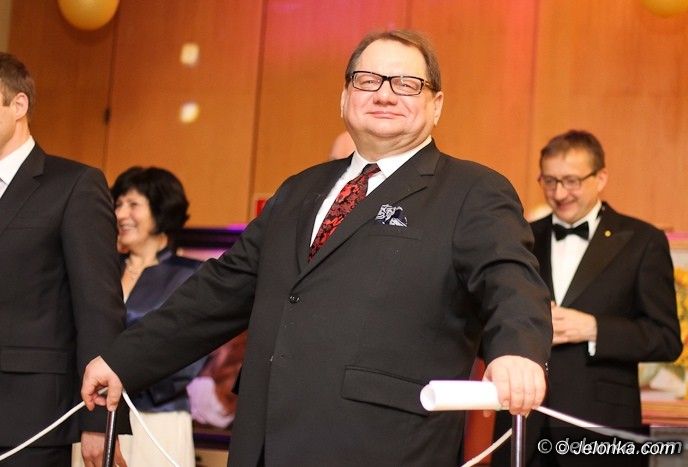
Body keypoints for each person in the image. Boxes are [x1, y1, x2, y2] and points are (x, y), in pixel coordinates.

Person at [82, 30, 552, 466]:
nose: (385, 94)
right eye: (368, 80)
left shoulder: (471, 190)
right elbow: (219, 291)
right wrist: (125, 361)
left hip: (383, 446)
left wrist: (518, 351)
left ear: (436, 104)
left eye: (407, 84)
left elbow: (509, 279)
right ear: (345, 97)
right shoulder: (298, 190)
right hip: (264, 442)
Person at [492, 130, 682, 467]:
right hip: (522, 424)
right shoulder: (521, 238)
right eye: (549, 181)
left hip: (600, 430)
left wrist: (593, 328)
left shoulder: (643, 241)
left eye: (571, 181)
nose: (559, 193)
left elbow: (666, 339)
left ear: (601, 178)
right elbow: (487, 325)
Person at [0, 52, 127, 467]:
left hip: (29, 414)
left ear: (18, 104)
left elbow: (98, 306)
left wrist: (100, 422)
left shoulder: (74, 185)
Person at [73, 166, 205, 466]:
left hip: (155, 417)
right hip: (96, 413)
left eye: (133, 204)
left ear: (161, 210)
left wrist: (123, 378)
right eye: (117, 204)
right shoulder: (102, 269)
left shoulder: (189, 275)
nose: (121, 214)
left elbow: (191, 355)